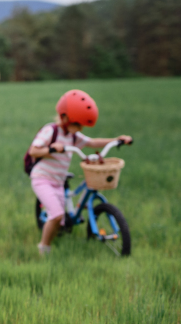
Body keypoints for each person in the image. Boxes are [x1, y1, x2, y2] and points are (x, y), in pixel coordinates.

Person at [28, 90, 132, 255]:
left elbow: (92, 142)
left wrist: (116, 140)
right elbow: (34, 150)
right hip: (42, 178)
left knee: (61, 221)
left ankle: (57, 233)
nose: (79, 129)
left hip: (59, 181)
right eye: (77, 124)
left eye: (81, 126)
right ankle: (44, 247)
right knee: (56, 215)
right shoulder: (51, 131)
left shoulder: (73, 136)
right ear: (64, 118)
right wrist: (51, 149)